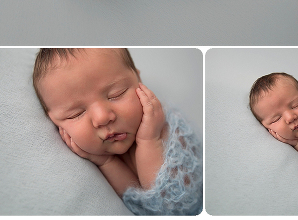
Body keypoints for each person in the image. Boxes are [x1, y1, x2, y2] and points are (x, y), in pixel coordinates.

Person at [32, 48, 202, 214]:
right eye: (76, 113)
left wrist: (150, 139)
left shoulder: (165, 125)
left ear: (138, 79)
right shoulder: (96, 158)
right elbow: (137, 198)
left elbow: (174, 205)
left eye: (116, 94)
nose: (102, 118)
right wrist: (106, 162)